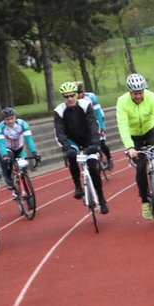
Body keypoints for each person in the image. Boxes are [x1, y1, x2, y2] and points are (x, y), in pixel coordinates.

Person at [116, 73, 154, 220]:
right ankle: (144, 201)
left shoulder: (152, 97)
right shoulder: (122, 102)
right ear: (130, 92)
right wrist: (129, 147)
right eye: (135, 93)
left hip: (150, 129)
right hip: (134, 136)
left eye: (140, 92)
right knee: (141, 167)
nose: (138, 96)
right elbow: (122, 126)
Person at [54, 81, 109, 215]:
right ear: (63, 98)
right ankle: (78, 186)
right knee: (72, 156)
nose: (70, 99)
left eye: (72, 95)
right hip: (72, 139)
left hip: (88, 137)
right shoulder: (59, 110)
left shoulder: (86, 105)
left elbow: (93, 124)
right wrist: (67, 147)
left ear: (77, 95)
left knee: (92, 166)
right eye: (66, 97)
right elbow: (59, 132)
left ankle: (101, 199)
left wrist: (96, 143)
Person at [0, 107, 40, 189]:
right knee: (8, 161)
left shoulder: (22, 124)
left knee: (23, 170)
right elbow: (1, 143)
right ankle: (9, 179)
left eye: (12, 118)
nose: (10, 121)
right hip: (7, 148)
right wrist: (5, 155)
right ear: (4, 120)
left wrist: (34, 152)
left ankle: (27, 191)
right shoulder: (0, 127)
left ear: (15, 117)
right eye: (7, 119)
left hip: (20, 148)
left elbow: (29, 139)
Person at [74, 82, 114, 171]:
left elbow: (98, 113)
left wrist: (102, 127)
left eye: (78, 94)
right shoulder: (73, 100)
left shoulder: (91, 97)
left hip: (96, 119)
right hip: (85, 123)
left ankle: (109, 158)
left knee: (101, 143)